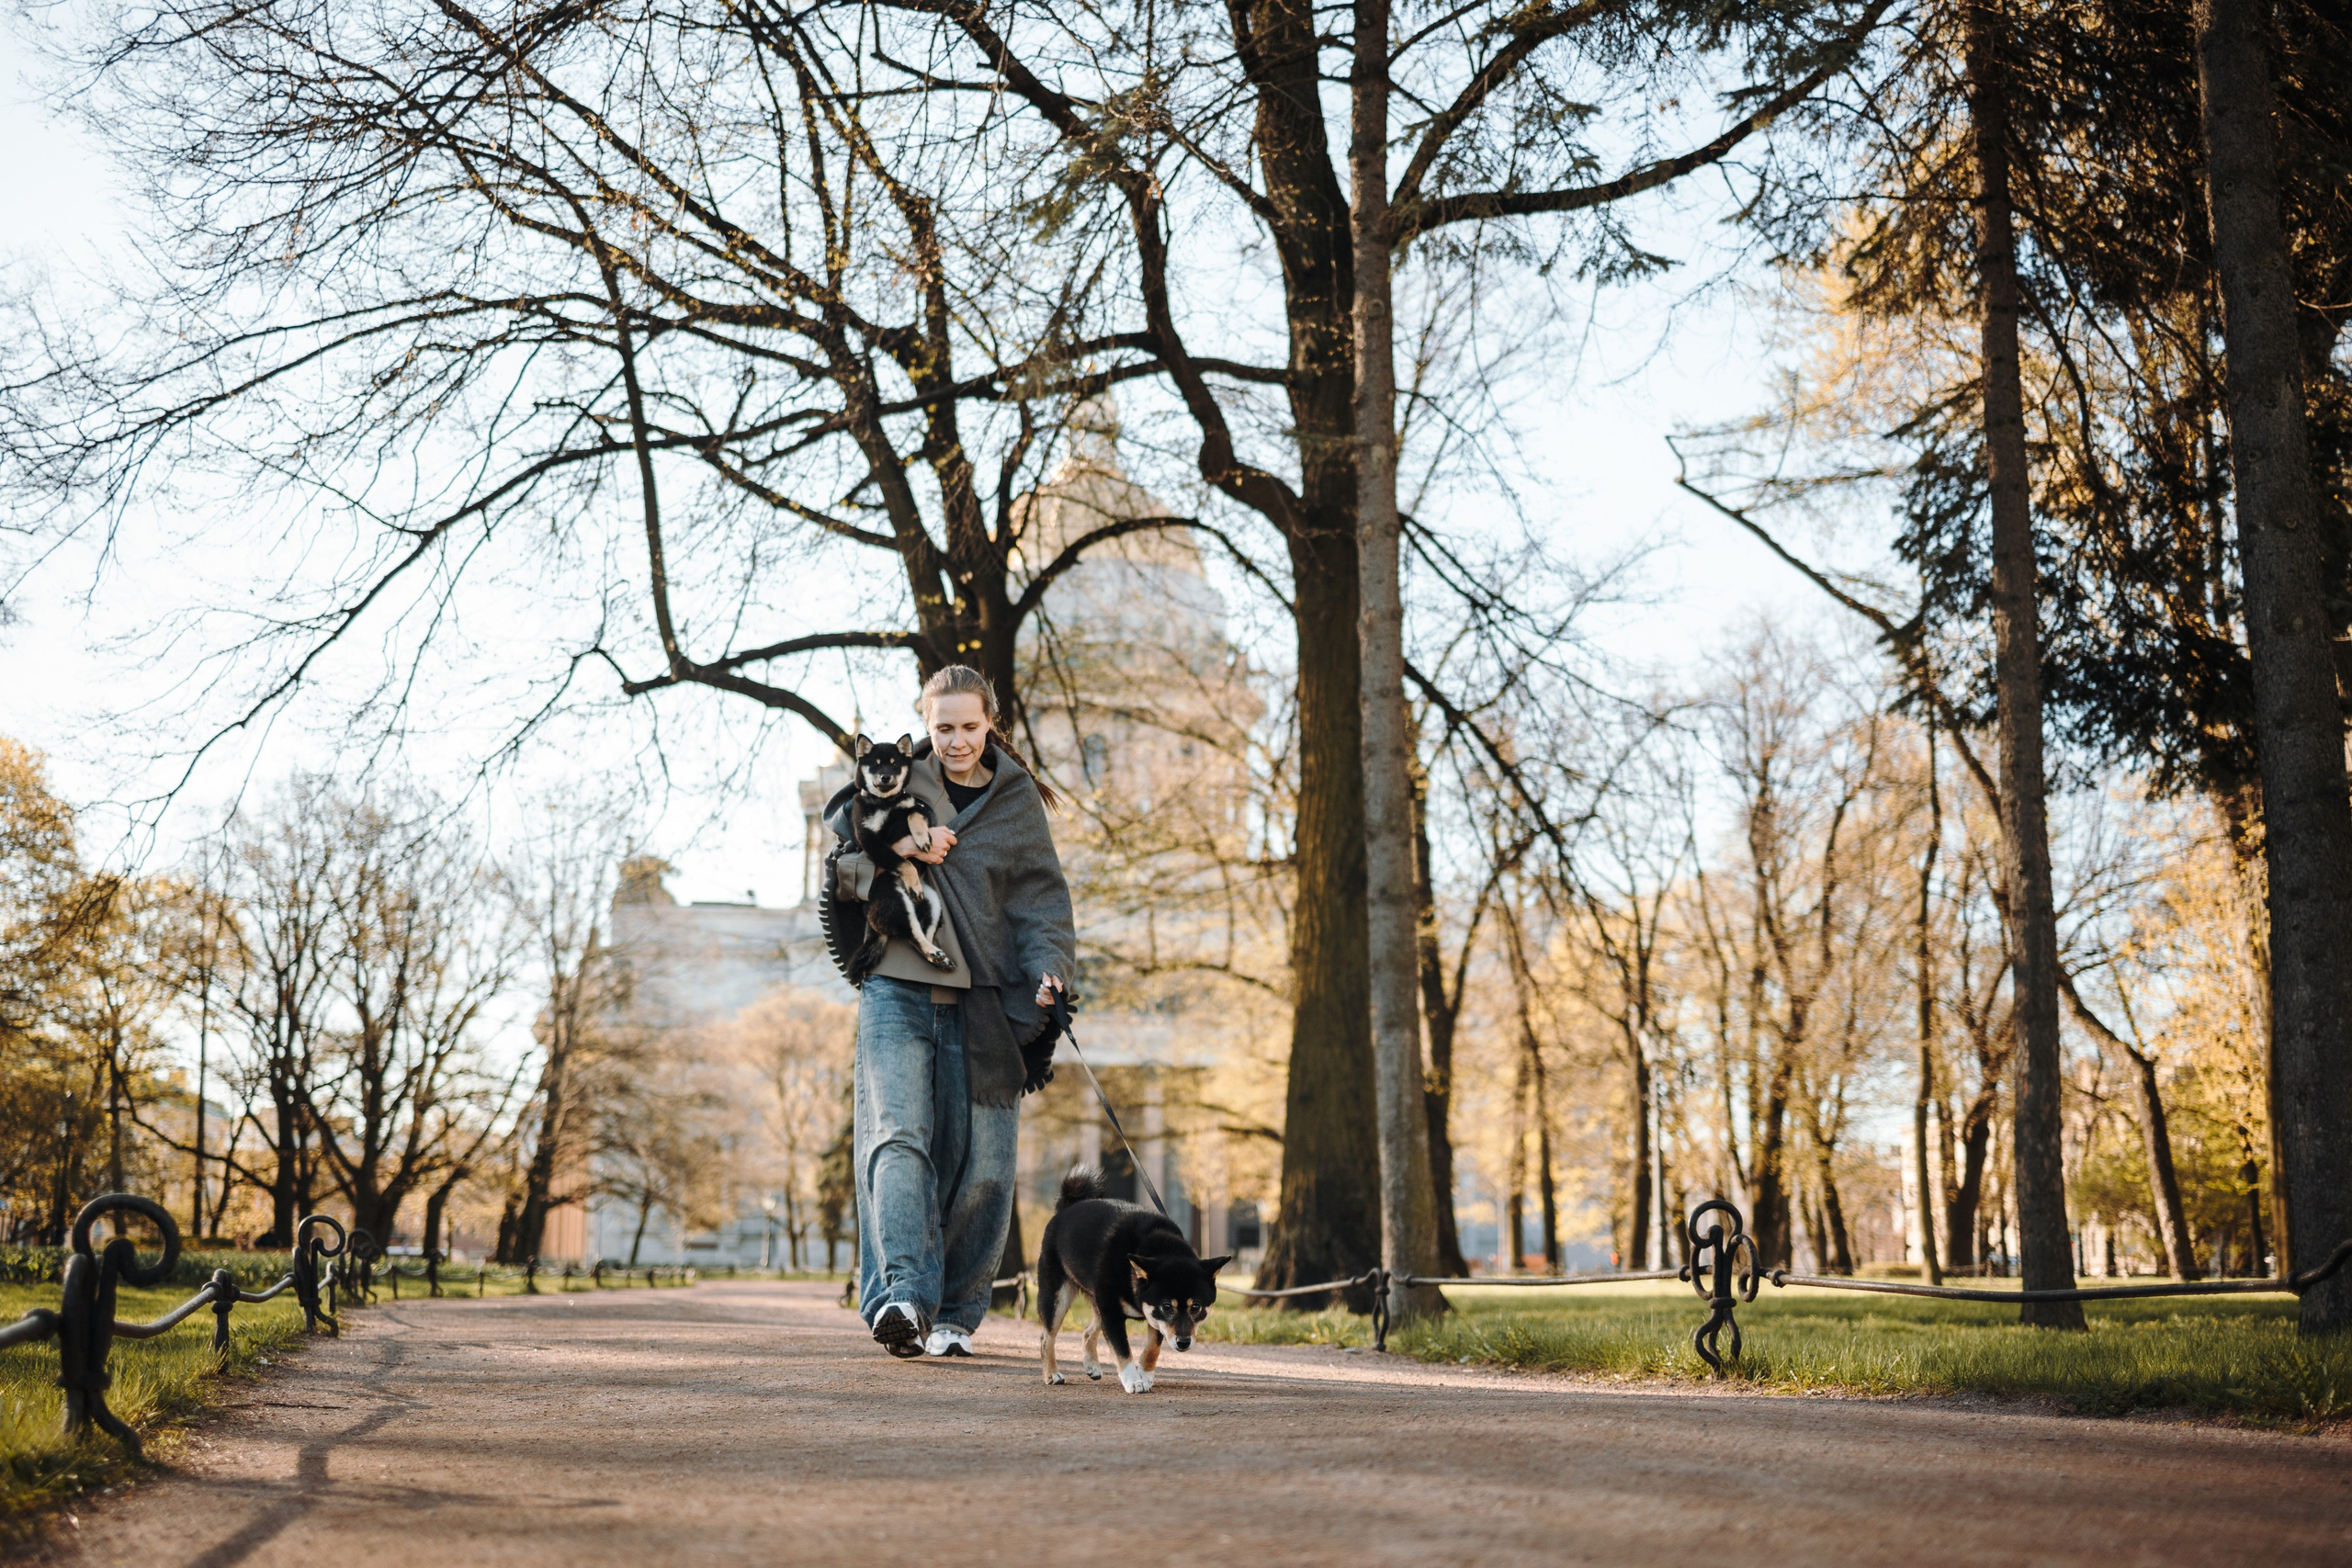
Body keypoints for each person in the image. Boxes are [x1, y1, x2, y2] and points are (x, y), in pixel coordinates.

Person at [826, 665, 1075, 1359]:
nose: (958, 740)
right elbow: (841, 864)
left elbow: (1041, 899)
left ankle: (956, 1314)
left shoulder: (1017, 799)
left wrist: (1051, 965)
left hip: (988, 1000)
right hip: (898, 986)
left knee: (986, 1166)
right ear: (925, 726)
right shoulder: (897, 778)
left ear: (990, 721)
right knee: (897, 1137)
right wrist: (907, 845)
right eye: (944, 727)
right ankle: (901, 1296)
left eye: (969, 726)